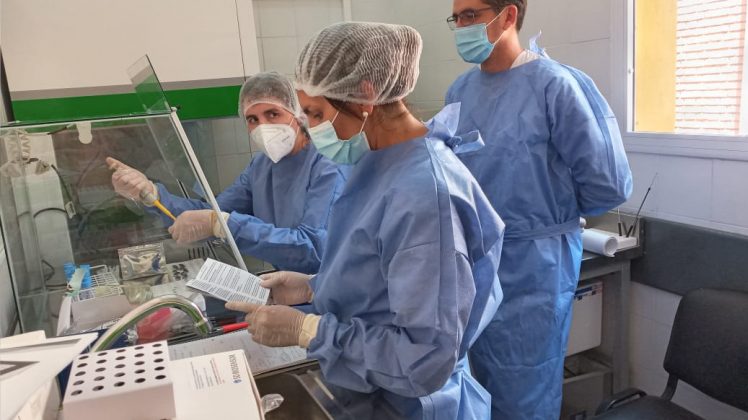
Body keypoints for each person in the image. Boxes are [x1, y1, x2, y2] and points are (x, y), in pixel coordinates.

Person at [226, 22, 506, 419]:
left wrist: (307, 330)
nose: (309, 126)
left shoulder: (425, 195)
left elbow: (424, 357)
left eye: (316, 112)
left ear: (365, 96)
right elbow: (382, 279)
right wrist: (310, 288)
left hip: (416, 405)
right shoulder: (377, 164)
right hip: (374, 393)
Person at [445, 1, 633, 418]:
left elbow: (607, 184)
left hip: (535, 267)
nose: (461, 26)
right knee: (475, 385)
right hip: (475, 263)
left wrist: (548, 214)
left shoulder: (555, 85)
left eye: (471, 15)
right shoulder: (459, 92)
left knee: (525, 387)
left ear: (508, 15)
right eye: (456, 18)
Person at [107, 71, 347, 274]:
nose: (262, 126)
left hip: (330, 291)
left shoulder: (328, 165)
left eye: (273, 114)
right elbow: (211, 214)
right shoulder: (261, 167)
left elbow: (313, 250)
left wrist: (225, 225)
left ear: (297, 114)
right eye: (252, 119)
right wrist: (151, 194)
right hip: (288, 284)